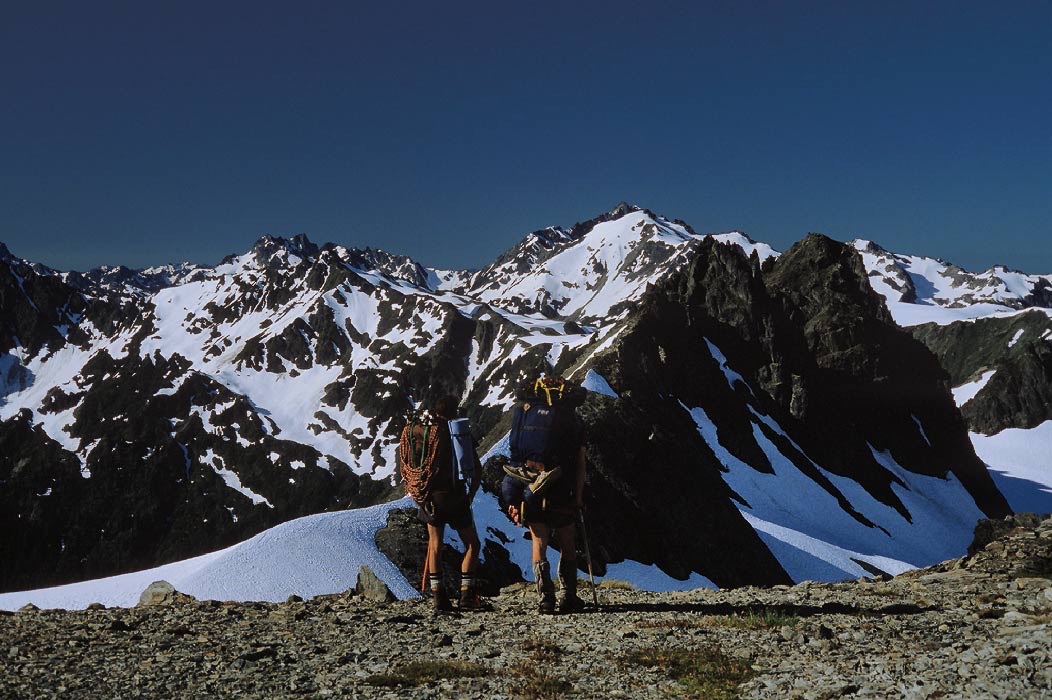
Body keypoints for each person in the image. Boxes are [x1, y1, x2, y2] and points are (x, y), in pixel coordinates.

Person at [501, 376, 587, 614]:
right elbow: (580, 463)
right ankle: (568, 595)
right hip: (561, 488)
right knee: (567, 542)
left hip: (530, 486)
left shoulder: (526, 413)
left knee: (539, 541)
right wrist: (579, 496)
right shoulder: (573, 419)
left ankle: (545, 598)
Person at [399, 395, 483, 613]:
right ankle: (467, 594)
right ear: (454, 411)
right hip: (455, 495)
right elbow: (475, 466)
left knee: (435, 544)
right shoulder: (455, 432)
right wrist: (470, 494)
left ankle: (439, 598)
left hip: (429, 496)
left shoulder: (424, 433)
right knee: (473, 544)